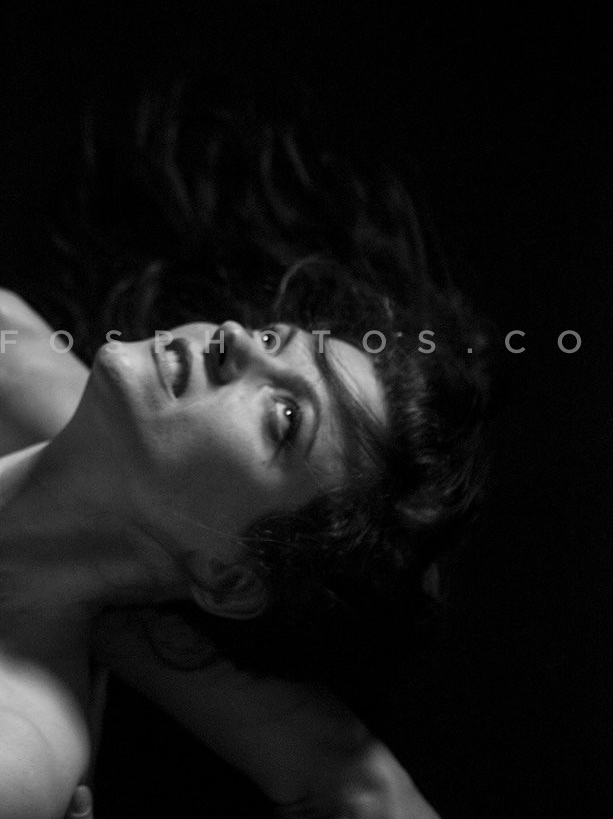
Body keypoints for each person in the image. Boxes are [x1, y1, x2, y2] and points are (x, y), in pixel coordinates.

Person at [0, 72, 489, 818]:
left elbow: (357, 783)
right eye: (269, 337)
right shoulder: (15, 353)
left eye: (286, 417)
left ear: (229, 579)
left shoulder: (22, 741)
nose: (233, 339)